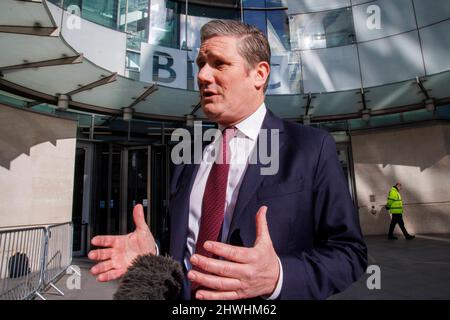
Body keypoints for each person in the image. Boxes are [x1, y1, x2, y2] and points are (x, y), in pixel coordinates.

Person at [88, 20, 367, 300]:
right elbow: (184, 251)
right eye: (200, 64)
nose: (203, 75)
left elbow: (349, 253)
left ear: (259, 74)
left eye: (219, 64)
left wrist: (278, 277)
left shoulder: (310, 148)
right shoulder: (189, 156)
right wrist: (155, 253)